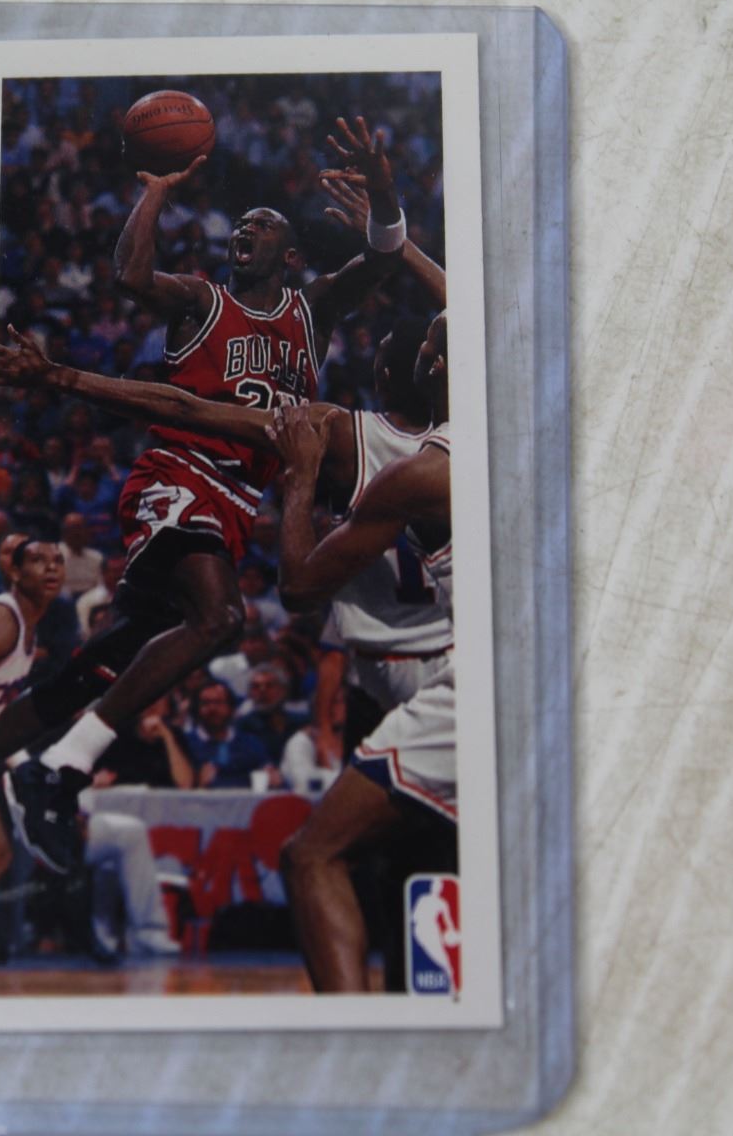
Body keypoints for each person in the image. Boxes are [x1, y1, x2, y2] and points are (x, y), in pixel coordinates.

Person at [0, 116, 409, 873]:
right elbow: (131, 277)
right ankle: (58, 769)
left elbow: (384, 255)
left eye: (262, 224)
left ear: (291, 254)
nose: (243, 231)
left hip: (236, 503)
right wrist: (155, 192)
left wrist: (384, 193)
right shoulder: (202, 300)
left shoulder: (311, 310)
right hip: (178, 474)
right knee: (219, 618)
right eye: (239, 224)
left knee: (113, 657)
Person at [266, 314, 455, 993]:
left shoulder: (412, 469)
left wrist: (300, 477)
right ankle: (427, 999)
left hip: (437, 679)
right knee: (429, 859)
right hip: (421, 664)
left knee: (321, 854)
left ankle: (361, 1023)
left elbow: (298, 589)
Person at [0, 540, 67, 892]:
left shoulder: (31, 625)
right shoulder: (3, 619)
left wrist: (21, 762)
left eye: (58, 561)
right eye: (38, 560)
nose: (51, 567)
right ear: (15, 573)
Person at [182, 681, 275, 790]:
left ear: (231, 708)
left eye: (218, 702)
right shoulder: (184, 744)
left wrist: (272, 778)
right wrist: (198, 785)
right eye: (206, 703)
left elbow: (269, 775)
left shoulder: (250, 743)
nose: (212, 708)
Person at [57, 512, 105, 598]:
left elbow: (101, 586)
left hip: (91, 599)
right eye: (72, 529)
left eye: (80, 528)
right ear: (64, 532)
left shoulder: (97, 557)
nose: (77, 533)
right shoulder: (55, 554)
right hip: (64, 599)